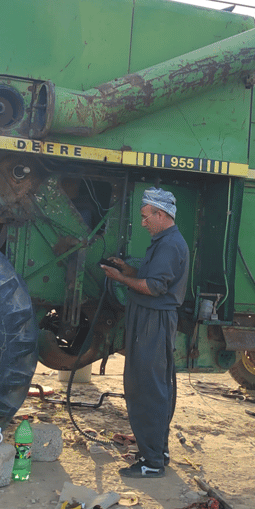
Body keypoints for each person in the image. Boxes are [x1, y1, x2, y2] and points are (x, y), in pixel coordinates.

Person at [100, 187, 188, 479]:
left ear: (160, 214)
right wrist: (126, 268)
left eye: (146, 216)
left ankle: (151, 463)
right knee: (154, 388)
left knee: (146, 390)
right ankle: (157, 452)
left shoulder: (170, 245)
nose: (143, 222)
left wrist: (121, 278)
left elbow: (154, 287)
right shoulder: (163, 241)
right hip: (150, 319)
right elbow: (151, 278)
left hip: (153, 320)